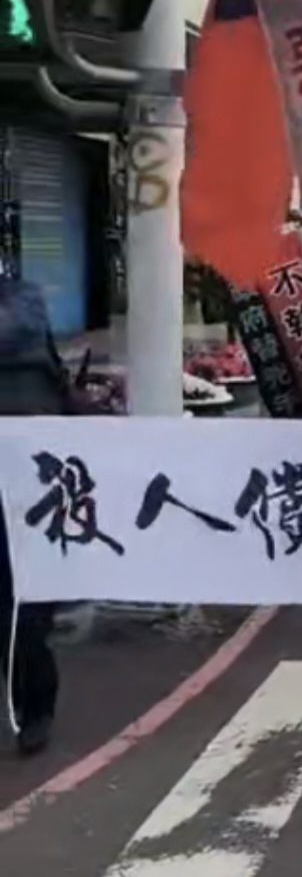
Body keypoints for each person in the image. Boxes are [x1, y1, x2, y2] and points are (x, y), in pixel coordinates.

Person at [0, 278, 69, 757]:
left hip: (29, 483)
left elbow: (16, 327)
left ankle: (36, 708)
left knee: (25, 610)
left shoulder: (22, 301)